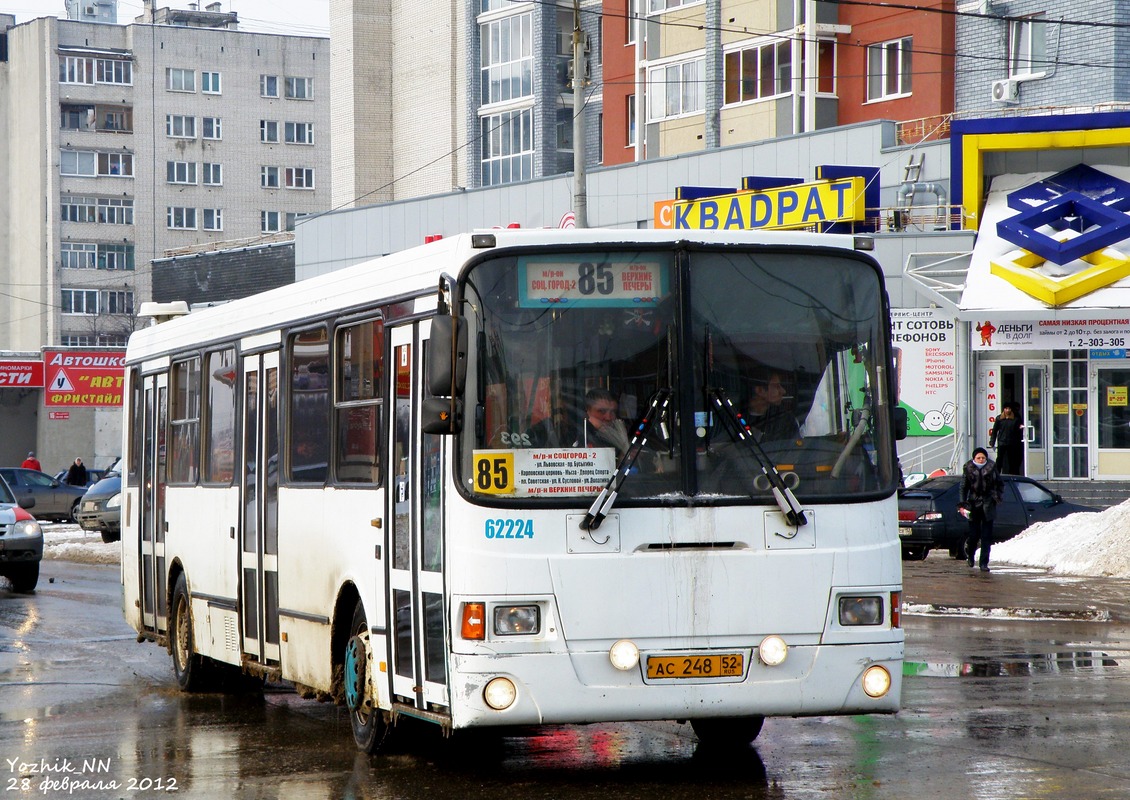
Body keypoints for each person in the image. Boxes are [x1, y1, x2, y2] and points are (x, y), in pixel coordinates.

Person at [959, 447, 1004, 572]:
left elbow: (1000, 483)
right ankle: (971, 555)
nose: (981, 459)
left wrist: (997, 496)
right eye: (978, 458)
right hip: (973, 504)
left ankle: (984, 563)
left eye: (983, 457)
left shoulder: (992, 467)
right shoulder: (968, 468)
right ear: (974, 458)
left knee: (986, 536)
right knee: (974, 535)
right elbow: (963, 487)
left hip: (988, 503)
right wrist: (963, 504)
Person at [744, 369, 801, 443]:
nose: (783, 391)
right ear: (760, 390)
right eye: (777, 386)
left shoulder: (786, 421)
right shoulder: (733, 418)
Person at [574, 388, 631, 458]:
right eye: (601, 411)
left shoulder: (621, 433)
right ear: (587, 411)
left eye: (613, 412)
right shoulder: (577, 433)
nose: (608, 418)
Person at [989, 405, 1022, 475]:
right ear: (1003, 409)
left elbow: (1018, 431)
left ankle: (1013, 475)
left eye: (1009, 408)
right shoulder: (999, 418)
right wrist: (992, 441)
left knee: (1012, 460)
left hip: (1012, 442)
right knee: (999, 459)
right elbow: (995, 430)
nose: (1008, 410)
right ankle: (997, 474)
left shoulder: (1015, 419)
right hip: (1002, 442)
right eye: (1006, 408)